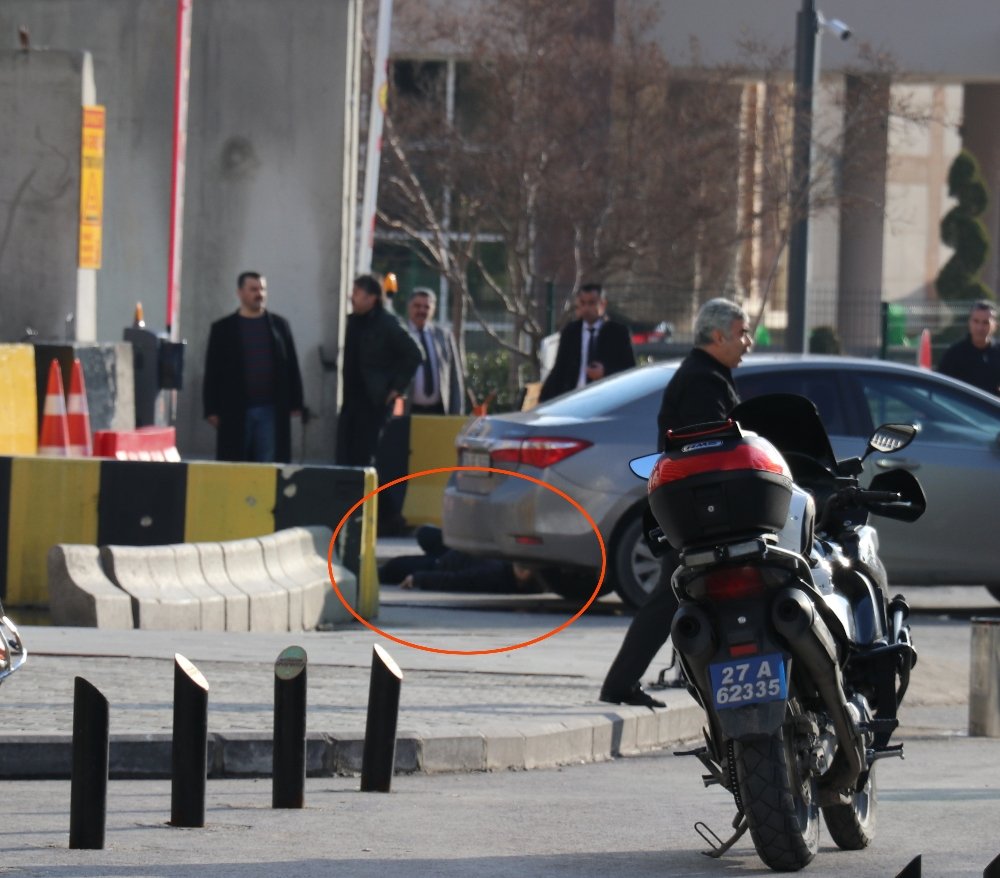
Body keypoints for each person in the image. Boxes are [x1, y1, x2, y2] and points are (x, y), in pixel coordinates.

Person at [600, 298, 752, 707]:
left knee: (677, 594)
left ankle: (628, 683)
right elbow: (709, 449)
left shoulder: (708, 375)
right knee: (675, 593)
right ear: (718, 336)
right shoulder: (704, 381)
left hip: (692, 506)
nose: (748, 342)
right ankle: (623, 684)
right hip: (698, 509)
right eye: (742, 333)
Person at [203, 271, 304, 463]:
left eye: (262, 289)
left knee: (268, 465)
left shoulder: (279, 326)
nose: (260, 294)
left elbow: (291, 364)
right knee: (235, 464)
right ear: (240, 293)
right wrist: (211, 409)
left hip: (270, 410)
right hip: (235, 410)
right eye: (253, 289)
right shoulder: (223, 329)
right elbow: (213, 371)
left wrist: (296, 402)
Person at [336, 274, 423, 467]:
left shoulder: (386, 323)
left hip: (373, 403)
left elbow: (414, 354)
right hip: (350, 402)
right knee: (344, 457)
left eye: (357, 293)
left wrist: (395, 389)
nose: (352, 297)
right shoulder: (350, 322)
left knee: (365, 458)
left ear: (372, 298)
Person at [539, 283, 636, 402]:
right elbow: (560, 368)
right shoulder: (571, 332)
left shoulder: (617, 333)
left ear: (603, 304)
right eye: (582, 303)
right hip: (573, 397)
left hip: (604, 398)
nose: (586, 309)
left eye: (591, 303)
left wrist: (605, 372)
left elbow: (629, 370)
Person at [379, 526, 541, 593]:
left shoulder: (492, 574)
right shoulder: (507, 563)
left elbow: (456, 580)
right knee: (425, 533)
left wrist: (420, 578)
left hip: (442, 564)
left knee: (394, 567)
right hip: (456, 550)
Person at [405, 288, 466, 415]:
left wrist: (457, 413)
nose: (422, 310)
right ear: (409, 307)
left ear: (433, 309)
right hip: (408, 411)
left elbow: (455, 377)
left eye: (426, 307)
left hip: (439, 411)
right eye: (417, 306)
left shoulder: (444, 336)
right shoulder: (400, 334)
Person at [937, 300, 1000, 396]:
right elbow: (940, 389)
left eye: (985, 322)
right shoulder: (954, 354)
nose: (980, 327)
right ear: (969, 323)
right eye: (976, 321)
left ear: (995, 325)